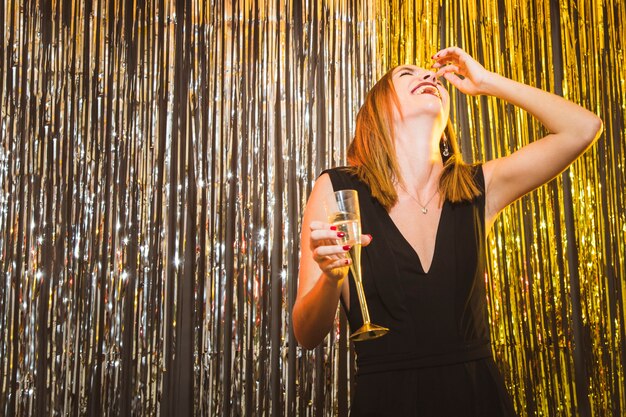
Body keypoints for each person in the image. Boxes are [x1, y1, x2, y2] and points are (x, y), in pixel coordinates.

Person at [292, 46, 602, 416]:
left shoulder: (477, 187)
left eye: (430, 75)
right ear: (376, 112)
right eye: (407, 74)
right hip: (387, 401)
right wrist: (329, 279)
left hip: (477, 399)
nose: (426, 76)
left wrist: (487, 81)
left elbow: (583, 128)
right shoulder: (338, 189)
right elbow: (306, 334)